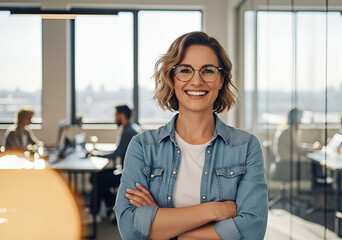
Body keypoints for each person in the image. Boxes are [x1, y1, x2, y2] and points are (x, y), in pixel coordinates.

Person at [114, 32, 268, 239]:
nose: (196, 81)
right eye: (185, 70)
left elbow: (252, 230)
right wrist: (214, 211)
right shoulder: (143, 146)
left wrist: (161, 224)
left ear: (221, 80)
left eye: (208, 71)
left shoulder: (246, 147)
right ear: (172, 78)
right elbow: (129, 228)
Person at [91, 104, 141, 216]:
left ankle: (95, 212)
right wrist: (99, 153)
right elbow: (118, 151)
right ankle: (111, 205)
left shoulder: (128, 132)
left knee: (97, 178)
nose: (115, 118)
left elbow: (116, 154)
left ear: (122, 115)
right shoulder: (130, 128)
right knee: (98, 177)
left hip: (128, 175)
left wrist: (96, 155)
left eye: (116, 115)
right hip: (128, 171)